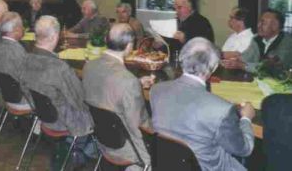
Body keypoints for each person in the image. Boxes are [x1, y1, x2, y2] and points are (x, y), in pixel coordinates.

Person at [150, 37, 255, 171]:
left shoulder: (156, 90)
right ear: (215, 67)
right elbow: (244, 149)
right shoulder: (221, 109)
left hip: (166, 164)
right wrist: (246, 118)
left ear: (182, 59)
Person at [82, 23, 154, 169]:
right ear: (129, 46)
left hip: (101, 141)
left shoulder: (89, 66)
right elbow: (139, 126)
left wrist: (137, 84)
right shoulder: (128, 81)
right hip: (127, 149)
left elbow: (105, 90)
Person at [23, 15, 93, 136]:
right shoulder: (59, 68)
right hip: (65, 121)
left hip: (43, 116)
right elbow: (80, 99)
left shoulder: (26, 59)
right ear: (55, 36)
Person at [222, 9, 292, 75]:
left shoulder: (287, 42)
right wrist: (233, 62)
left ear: (275, 26)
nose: (258, 25)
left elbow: (271, 68)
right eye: (259, 22)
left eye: (263, 23)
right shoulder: (257, 38)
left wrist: (242, 66)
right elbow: (246, 57)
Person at [0, 11, 30, 109]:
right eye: (21, 26)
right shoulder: (17, 50)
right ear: (16, 29)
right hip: (20, 99)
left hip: (2, 95)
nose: (23, 29)